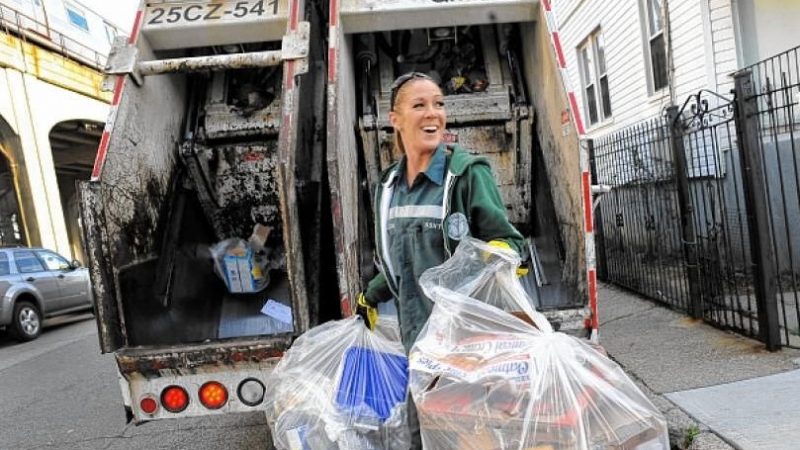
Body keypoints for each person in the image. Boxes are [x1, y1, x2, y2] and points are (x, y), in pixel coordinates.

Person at [356, 71, 527, 449]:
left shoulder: (467, 175)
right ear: (395, 119)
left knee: (469, 438)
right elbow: (401, 259)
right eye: (419, 105)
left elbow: (508, 244)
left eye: (439, 103)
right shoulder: (387, 187)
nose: (433, 113)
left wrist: (500, 258)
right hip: (418, 347)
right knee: (424, 437)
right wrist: (372, 294)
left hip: (465, 348)